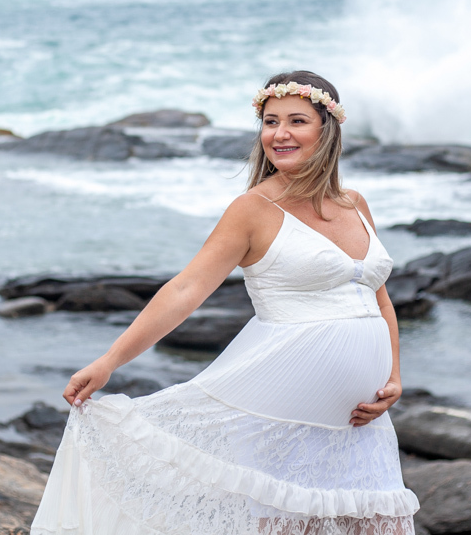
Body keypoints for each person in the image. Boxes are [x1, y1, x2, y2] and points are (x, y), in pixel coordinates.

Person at [30, 70, 420, 535]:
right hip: (280, 403)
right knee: (281, 520)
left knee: (367, 523)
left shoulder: (355, 202)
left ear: (327, 130)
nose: (280, 133)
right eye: (270, 121)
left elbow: (378, 297)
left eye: (297, 120)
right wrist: (110, 360)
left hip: (362, 417)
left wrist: (393, 376)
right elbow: (185, 289)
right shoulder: (253, 209)